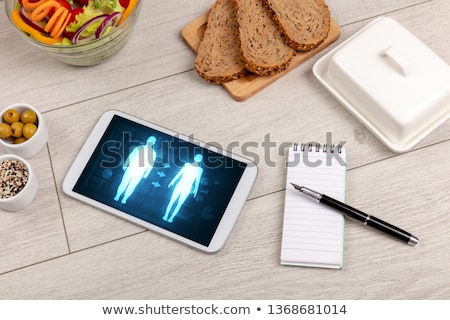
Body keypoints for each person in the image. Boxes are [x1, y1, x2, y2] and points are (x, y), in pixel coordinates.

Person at [114, 136, 157, 204]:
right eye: (150, 139)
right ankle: (117, 196)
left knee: (132, 185)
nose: (151, 141)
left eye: (152, 140)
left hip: (140, 171)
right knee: (124, 182)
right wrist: (125, 164)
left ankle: (124, 198)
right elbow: (131, 156)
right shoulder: (139, 148)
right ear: (147, 140)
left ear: (154, 143)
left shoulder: (153, 153)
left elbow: (151, 164)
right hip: (132, 168)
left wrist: (147, 173)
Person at [163, 154, 203, 223]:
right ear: (195, 157)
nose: (198, 158)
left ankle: (171, 218)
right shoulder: (187, 165)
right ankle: (166, 216)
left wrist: (196, 190)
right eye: (197, 157)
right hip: (181, 185)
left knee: (178, 203)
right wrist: (172, 181)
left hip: (186, 187)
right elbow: (179, 173)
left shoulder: (199, 169)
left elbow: (197, 181)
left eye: (199, 157)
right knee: (173, 201)